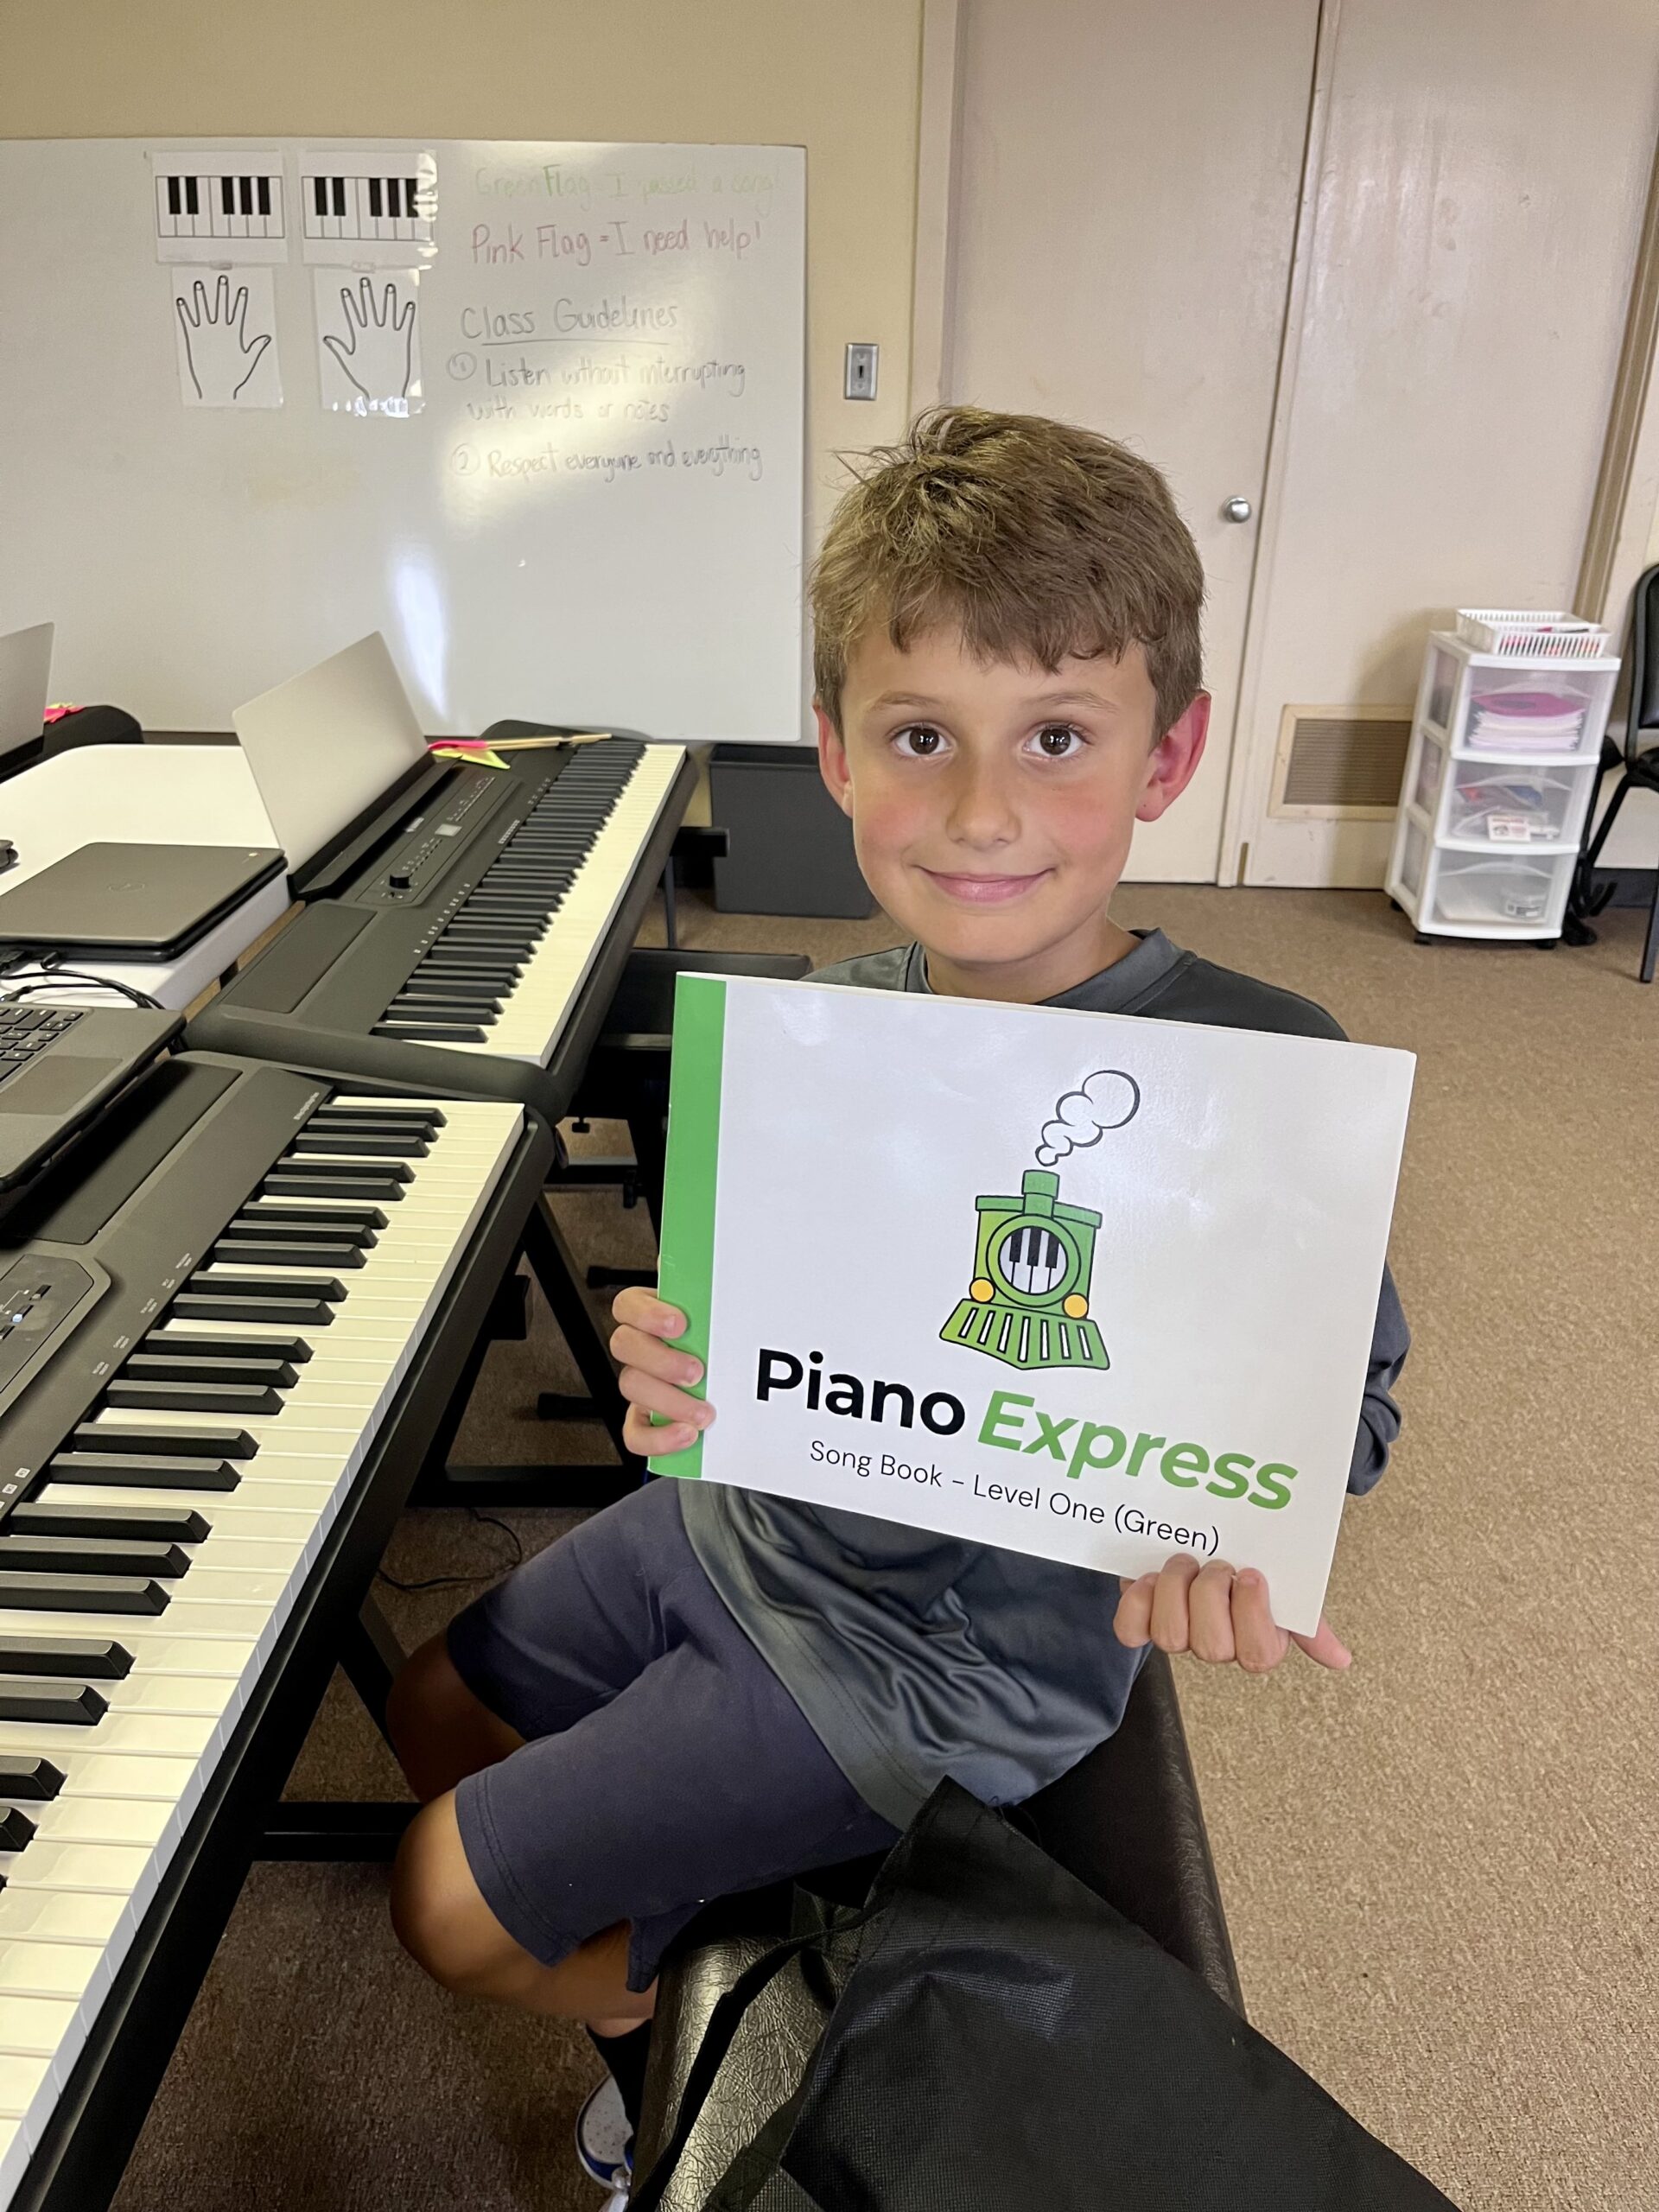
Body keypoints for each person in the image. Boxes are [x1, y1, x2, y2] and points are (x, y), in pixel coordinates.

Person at [384, 408, 1409, 2201]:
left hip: (937, 1664)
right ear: (837, 756)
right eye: (920, 734)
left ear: (1169, 760)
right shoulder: (829, 1021)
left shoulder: (1262, 1074)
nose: (984, 810)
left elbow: (1347, 1404)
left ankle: (696, 2065)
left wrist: (1251, 1517)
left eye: (1059, 739)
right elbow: (752, 1338)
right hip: (741, 1524)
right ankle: (686, 2018)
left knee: (442, 1902)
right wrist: (672, 1360)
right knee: (428, 1703)